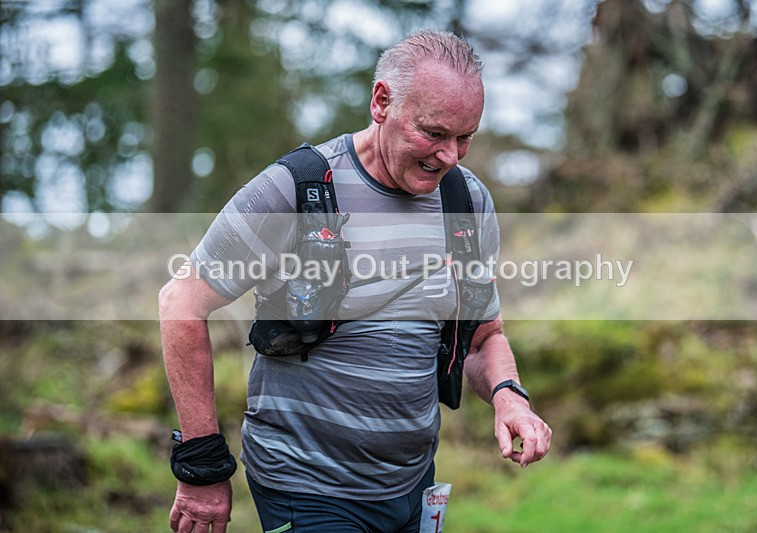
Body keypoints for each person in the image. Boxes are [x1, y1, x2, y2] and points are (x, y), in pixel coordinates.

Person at [159, 29, 551, 533]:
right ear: (382, 102)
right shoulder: (295, 190)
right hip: (306, 488)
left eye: (465, 137)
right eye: (433, 133)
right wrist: (202, 465)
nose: (450, 155)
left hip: (411, 488)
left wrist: (509, 397)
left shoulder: (465, 202)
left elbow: (482, 339)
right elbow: (180, 303)